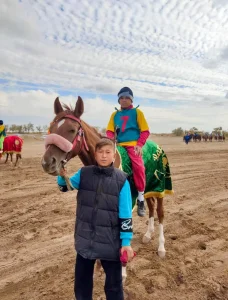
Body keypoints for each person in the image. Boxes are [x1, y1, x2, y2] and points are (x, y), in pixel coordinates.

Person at [57, 138, 134, 300]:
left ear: (114, 156)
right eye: (100, 152)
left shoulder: (122, 180)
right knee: (82, 285)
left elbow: (126, 214)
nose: (104, 156)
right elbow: (66, 187)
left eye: (108, 152)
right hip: (85, 240)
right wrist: (61, 175)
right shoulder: (84, 173)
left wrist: (126, 242)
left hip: (110, 243)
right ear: (95, 154)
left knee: (114, 287)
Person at [106, 87, 150, 217]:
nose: (124, 100)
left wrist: (139, 144)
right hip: (118, 145)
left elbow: (145, 131)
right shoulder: (114, 115)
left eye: (127, 98)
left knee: (139, 166)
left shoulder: (137, 113)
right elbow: (109, 130)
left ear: (131, 99)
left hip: (132, 145)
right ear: (118, 99)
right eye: (122, 98)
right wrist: (110, 139)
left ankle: (141, 198)